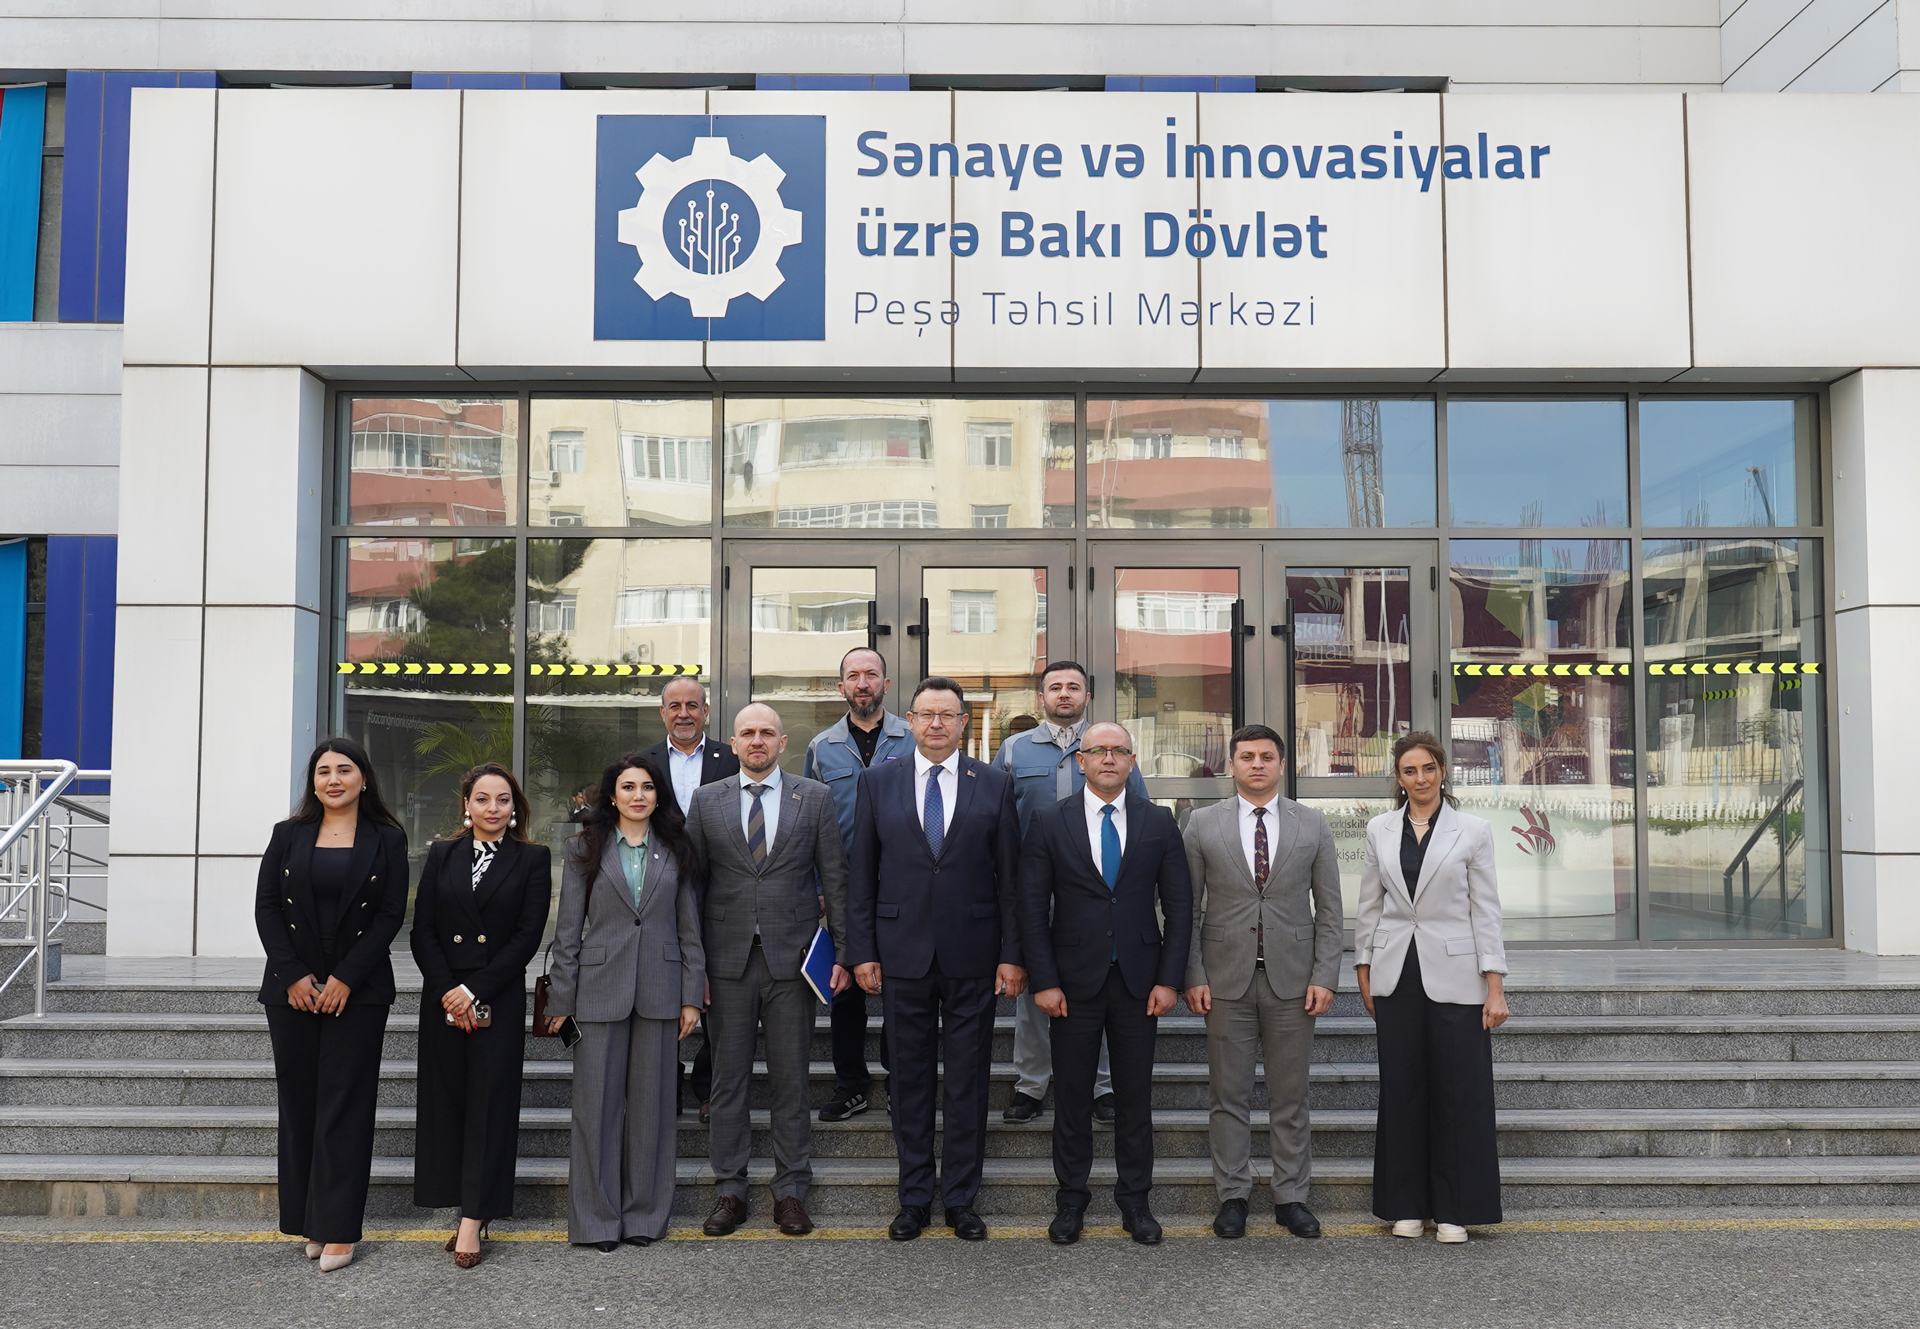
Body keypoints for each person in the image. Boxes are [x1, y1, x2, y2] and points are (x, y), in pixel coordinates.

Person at [847, 676, 1025, 1243]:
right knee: (910, 1081)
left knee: (968, 1082)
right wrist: (862, 951)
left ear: (964, 723)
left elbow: (1011, 880)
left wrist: (1012, 954)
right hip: (901, 954)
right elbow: (861, 875)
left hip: (974, 954)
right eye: (926, 714)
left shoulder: (994, 783)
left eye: (947, 715)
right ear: (911, 721)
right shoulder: (878, 781)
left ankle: (961, 1200)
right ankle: (915, 1199)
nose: (937, 724)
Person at [1018, 722, 1191, 1247]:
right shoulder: (1051, 820)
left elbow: (1180, 907)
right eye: (1098, 751)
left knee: (1134, 1099)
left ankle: (1135, 1203)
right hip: (1072, 984)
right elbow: (1031, 907)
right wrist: (1044, 981)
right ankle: (1071, 1201)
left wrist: (1170, 980)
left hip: (1140, 983)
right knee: (1072, 1098)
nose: (1109, 759)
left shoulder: (1159, 821)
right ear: (1081, 761)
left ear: (1133, 761)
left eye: (1119, 751)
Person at [685, 704, 850, 1237]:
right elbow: (691, 888)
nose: (757, 741)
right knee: (727, 1083)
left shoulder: (815, 797)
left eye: (767, 733)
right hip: (725, 962)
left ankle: (791, 1191)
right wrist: (693, 966)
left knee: (791, 1083)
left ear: (783, 744)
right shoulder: (706, 800)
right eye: (748, 733)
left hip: (793, 964)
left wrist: (843, 953)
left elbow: (835, 879)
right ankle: (730, 1190)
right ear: (733, 744)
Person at [253, 737, 409, 1273]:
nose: (334, 779)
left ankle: (339, 1228)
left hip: (358, 991)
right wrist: (293, 975)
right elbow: (267, 908)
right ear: (313, 782)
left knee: (346, 1106)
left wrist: (345, 978)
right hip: (291, 991)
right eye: (324, 771)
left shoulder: (387, 838)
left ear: (364, 779)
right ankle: (309, 1221)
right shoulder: (288, 834)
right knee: (300, 1106)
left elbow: (390, 916)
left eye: (345, 770)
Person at [1182, 724, 1343, 1241]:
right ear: (1232, 764)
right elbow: (1186, 909)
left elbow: (1330, 910)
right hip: (1223, 981)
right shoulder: (1201, 823)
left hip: (1293, 983)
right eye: (1247, 756)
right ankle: (1233, 1196)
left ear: (1281, 764)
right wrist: (1192, 973)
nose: (1257, 764)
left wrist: (1325, 975)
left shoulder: (1312, 823)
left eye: (1266, 757)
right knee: (1227, 1096)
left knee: (1290, 1098)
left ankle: (1290, 1197)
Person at [542, 752, 705, 1251]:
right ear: (612, 796)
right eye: (629, 787)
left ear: (659, 796)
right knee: (595, 1112)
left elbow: (689, 928)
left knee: (653, 1112)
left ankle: (644, 1217)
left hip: (661, 989)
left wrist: (692, 996)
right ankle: (595, 1221)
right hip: (598, 990)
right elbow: (568, 929)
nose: (639, 795)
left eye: (647, 787)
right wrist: (561, 997)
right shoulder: (583, 847)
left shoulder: (675, 847)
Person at [1355, 731, 1509, 1245]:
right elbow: (1370, 905)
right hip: (1395, 973)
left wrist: (1495, 986)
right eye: (1409, 771)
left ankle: (1454, 1210)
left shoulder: (1473, 830)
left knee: (1459, 1093)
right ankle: (1405, 1205)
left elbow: (1486, 910)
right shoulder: (1379, 829)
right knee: (1402, 1090)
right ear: (1398, 779)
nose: (1420, 778)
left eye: (1428, 768)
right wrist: (1362, 967)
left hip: (1459, 977)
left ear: (1442, 771)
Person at [408, 762, 552, 1268]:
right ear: (466, 805)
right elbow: (422, 929)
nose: (493, 808)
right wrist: (449, 990)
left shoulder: (532, 858)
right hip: (444, 995)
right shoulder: (442, 854)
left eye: (503, 800)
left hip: (497, 994)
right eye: (483, 799)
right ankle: (461, 1201)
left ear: (515, 809)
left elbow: (527, 937)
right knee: (447, 1102)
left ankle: (473, 1217)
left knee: (490, 1105)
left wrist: (473, 989)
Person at [992, 660, 1147, 1125]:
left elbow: (1137, 815)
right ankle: (1031, 1084)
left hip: (1097, 890)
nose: (1064, 694)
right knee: (1034, 986)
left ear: (1087, 696)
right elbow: (997, 819)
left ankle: (1102, 1086)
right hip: (1033, 888)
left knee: (1101, 983)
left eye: (1073, 687)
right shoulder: (1015, 749)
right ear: (1041, 697)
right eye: (1055, 687)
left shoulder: (1109, 747)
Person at [803, 646, 912, 1123]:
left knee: (901, 989)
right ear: (841, 686)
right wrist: (816, 886)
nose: (862, 683)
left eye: (871, 674)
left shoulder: (912, 737)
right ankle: (851, 1085)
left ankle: (900, 1082)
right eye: (853, 675)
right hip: (844, 889)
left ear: (886, 683)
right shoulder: (821, 746)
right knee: (844, 989)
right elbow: (807, 822)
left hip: (904, 886)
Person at [639, 677, 739, 1122]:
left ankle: (707, 1086)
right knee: (659, 982)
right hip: (655, 890)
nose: (684, 713)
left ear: (706, 712)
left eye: (693, 705)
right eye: (675, 706)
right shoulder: (642, 763)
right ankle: (664, 1081)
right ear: (662, 713)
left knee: (719, 988)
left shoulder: (730, 759)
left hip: (719, 889)